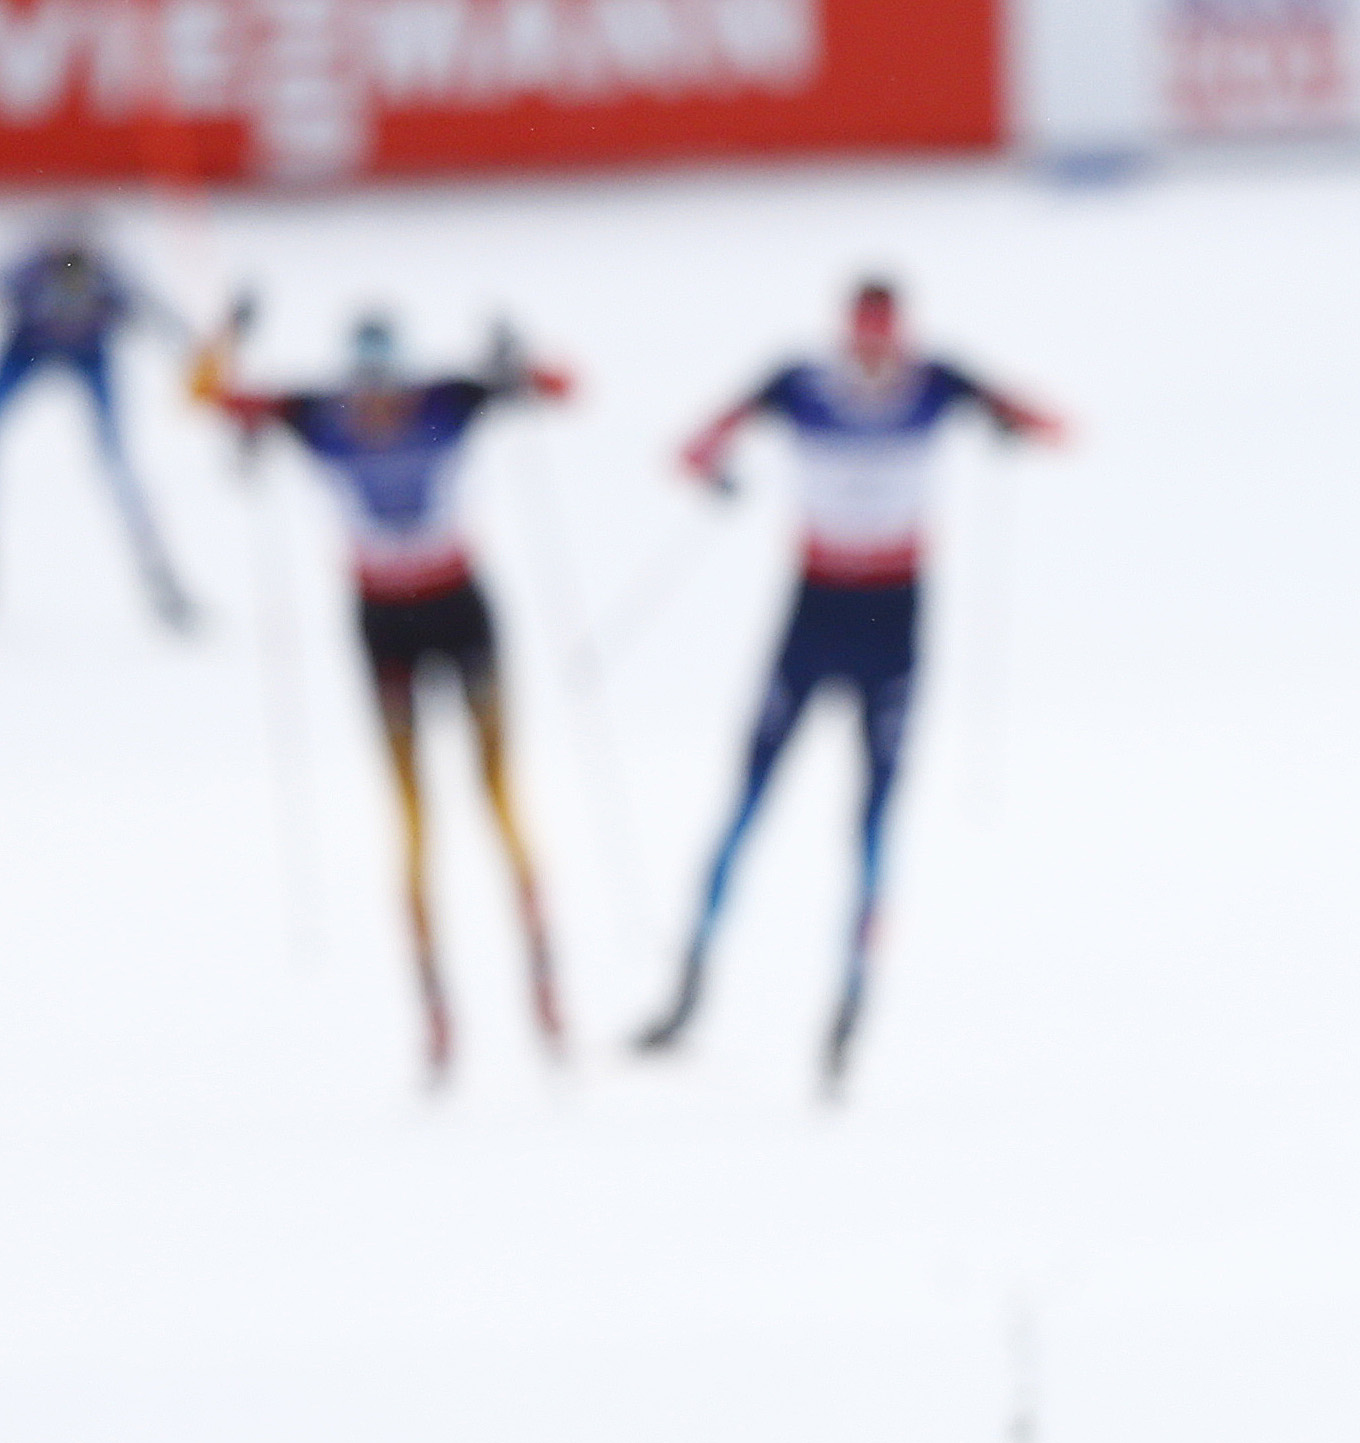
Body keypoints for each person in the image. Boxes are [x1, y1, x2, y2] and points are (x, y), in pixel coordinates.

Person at [634, 278, 1063, 1086]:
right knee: (748, 801)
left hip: (894, 620)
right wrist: (713, 476)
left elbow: (1054, 424)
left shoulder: (939, 381)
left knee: (870, 821)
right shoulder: (798, 385)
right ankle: (689, 985)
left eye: (884, 344)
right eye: (861, 342)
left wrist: (1009, 424)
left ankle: (850, 1005)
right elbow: (690, 449)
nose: (872, 359)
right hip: (814, 612)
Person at [197, 313, 571, 1079]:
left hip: (460, 610)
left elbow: (560, 388)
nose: (379, 405)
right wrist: (224, 337)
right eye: (367, 391)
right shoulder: (315, 416)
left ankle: (542, 981)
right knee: (410, 817)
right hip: (383, 624)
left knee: (499, 797)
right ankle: (434, 1006)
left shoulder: (448, 399)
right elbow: (206, 395)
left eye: (389, 389)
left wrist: (514, 357)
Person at [1, 215, 197, 628]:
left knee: (118, 464)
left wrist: (193, 346)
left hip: (91, 362)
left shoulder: (108, 278)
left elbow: (156, 314)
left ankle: (160, 574)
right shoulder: (29, 273)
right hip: (27, 355)